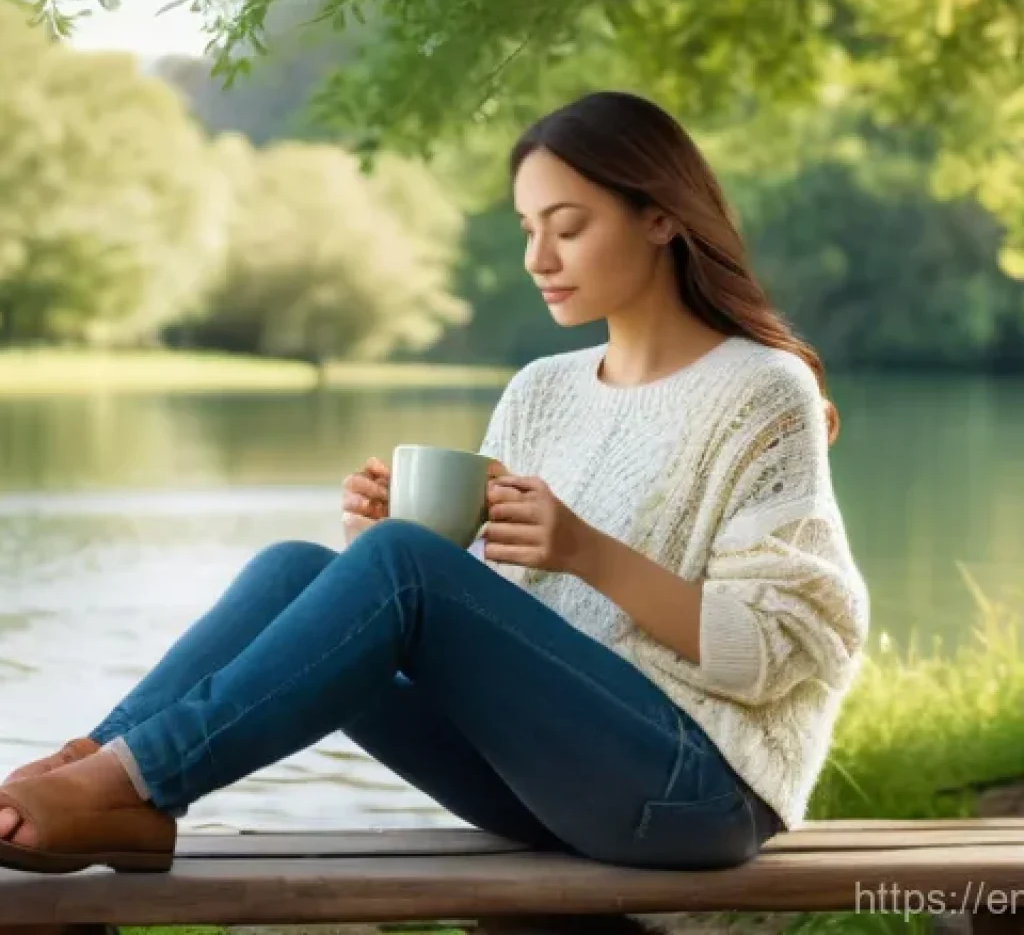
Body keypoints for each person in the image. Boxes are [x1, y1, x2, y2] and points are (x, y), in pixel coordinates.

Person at [0, 90, 869, 876]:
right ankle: (104, 779)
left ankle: (127, 779)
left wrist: (584, 554)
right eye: (527, 228)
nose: (538, 256)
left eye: (567, 227)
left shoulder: (762, 391)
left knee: (402, 566)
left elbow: (782, 652)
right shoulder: (543, 391)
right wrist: (372, 559)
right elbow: (493, 627)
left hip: (693, 791)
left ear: (660, 219)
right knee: (294, 571)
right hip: (540, 780)